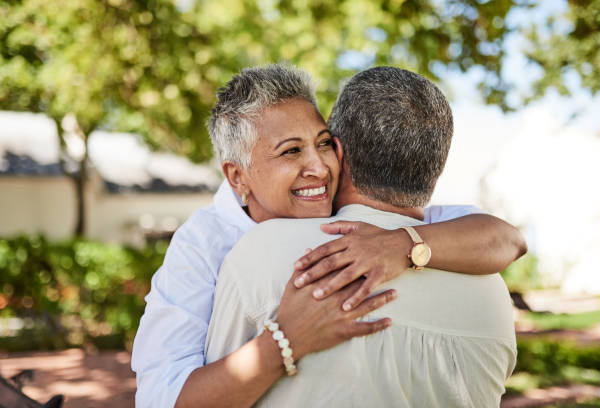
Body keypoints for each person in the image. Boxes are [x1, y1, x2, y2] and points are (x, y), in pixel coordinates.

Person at [131, 65, 526, 408]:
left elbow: (507, 239)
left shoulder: (364, 220)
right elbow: (162, 398)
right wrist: (283, 342)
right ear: (238, 176)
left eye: (324, 144)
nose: (318, 168)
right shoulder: (204, 245)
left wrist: (402, 245)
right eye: (290, 152)